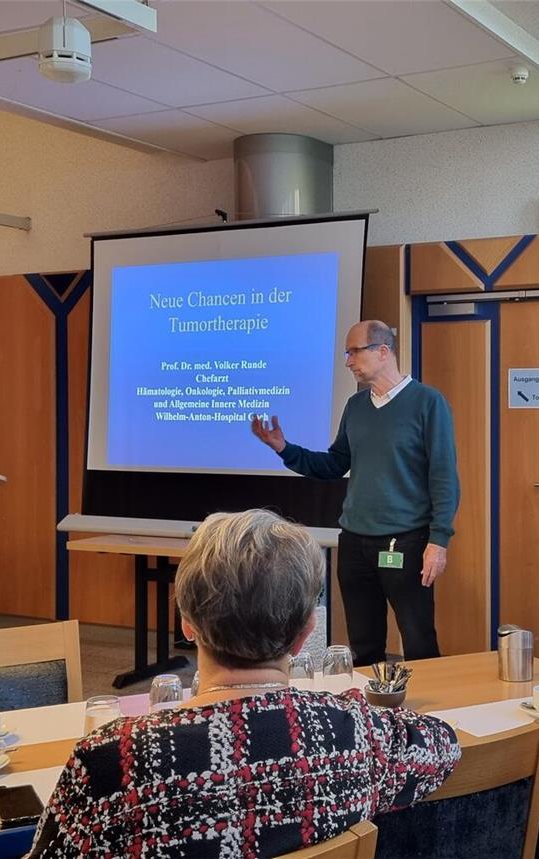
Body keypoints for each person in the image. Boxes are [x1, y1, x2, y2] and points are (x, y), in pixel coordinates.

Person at [26, 509, 460, 858]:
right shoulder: (359, 734)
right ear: (306, 633)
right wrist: (350, 707)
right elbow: (444, 743)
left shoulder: (110, 759)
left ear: (187, 623)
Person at [250, 320, 459, 667]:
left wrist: (438, 541)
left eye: (354, 352)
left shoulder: (427, 402)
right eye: (346, 353)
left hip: (405, 542)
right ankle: (366, 702)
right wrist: (284, 448)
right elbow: (335, 464)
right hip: (354, 543)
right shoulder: (356, 406)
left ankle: (427, 704)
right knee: (363, 643)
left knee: (418, 639)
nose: (348, 361)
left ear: (383, 351)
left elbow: (444, 477)